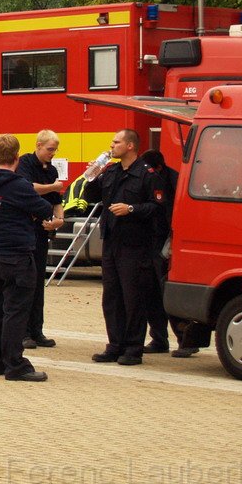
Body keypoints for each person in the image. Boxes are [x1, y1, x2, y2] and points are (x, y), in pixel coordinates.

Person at [83, 129, 166, 366]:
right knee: (112, 297)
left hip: (135, 246)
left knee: (134, 298)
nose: (112, 145)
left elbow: (158, 207)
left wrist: (131, 209)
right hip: (111, 243)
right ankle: (114, 345)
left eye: (116, 142)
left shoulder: (147, 174)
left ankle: (133, 348)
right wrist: (92, 174)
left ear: (130, 146)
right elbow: (91, 196)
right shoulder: (111, 171)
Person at [0, 134, 54, 382]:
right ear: (16, 157)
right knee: (15, 312)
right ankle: (16, 364)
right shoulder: (19, 184)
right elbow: (44, 209)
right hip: (17, 257)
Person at [139, 149, 197, 357]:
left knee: (169, 292)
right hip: (150, 243)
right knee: (151, 292)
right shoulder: (151, 178)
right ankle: (159, 339)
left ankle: (186, 340)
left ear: (158, 168)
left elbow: (175, 213)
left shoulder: (173, 181)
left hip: (166, 244)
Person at [15, 130, 65, 349]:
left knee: (38, 283)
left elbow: (57, 201)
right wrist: (53, 186)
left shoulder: (51, 169)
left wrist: (59, 220)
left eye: (55, 150)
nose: (52, 154)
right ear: (38, 145)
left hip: (43, 230)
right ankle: (23, 332)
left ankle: (37, 330)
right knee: (25, 282)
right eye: (49, 149)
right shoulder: (25, 163)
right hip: (27, 230)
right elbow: (29, 188)